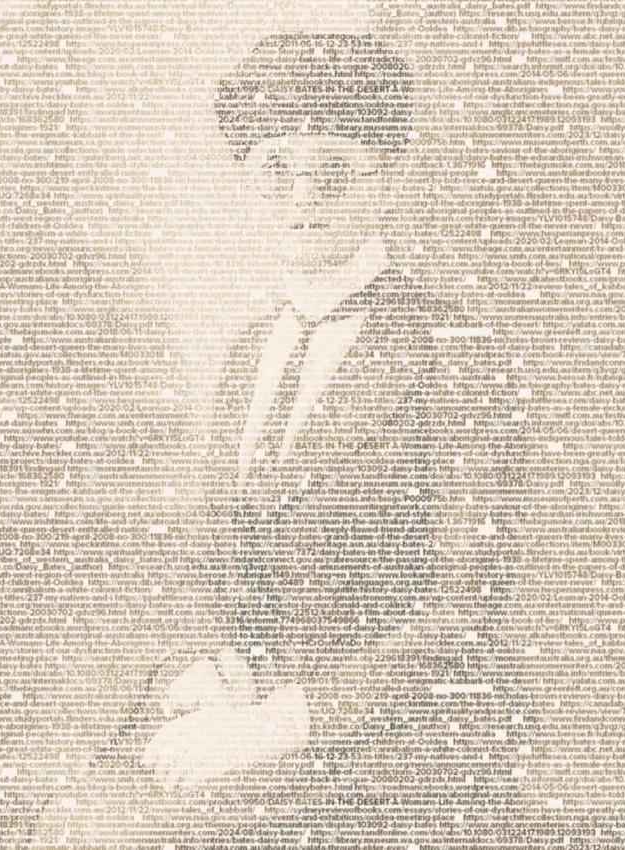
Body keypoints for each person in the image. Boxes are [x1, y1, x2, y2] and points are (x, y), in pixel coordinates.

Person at [29, 32, 529, 849]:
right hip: (259, 716)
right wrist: (206, 662)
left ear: (389, 181)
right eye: (274, 168)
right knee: (74, 814)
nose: (302, 195)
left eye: (332, 170)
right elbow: (212, 558)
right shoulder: (246, 356)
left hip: (398, 745)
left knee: (126, 831)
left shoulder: (454, 351)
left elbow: (462, 616)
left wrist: (275, 726)